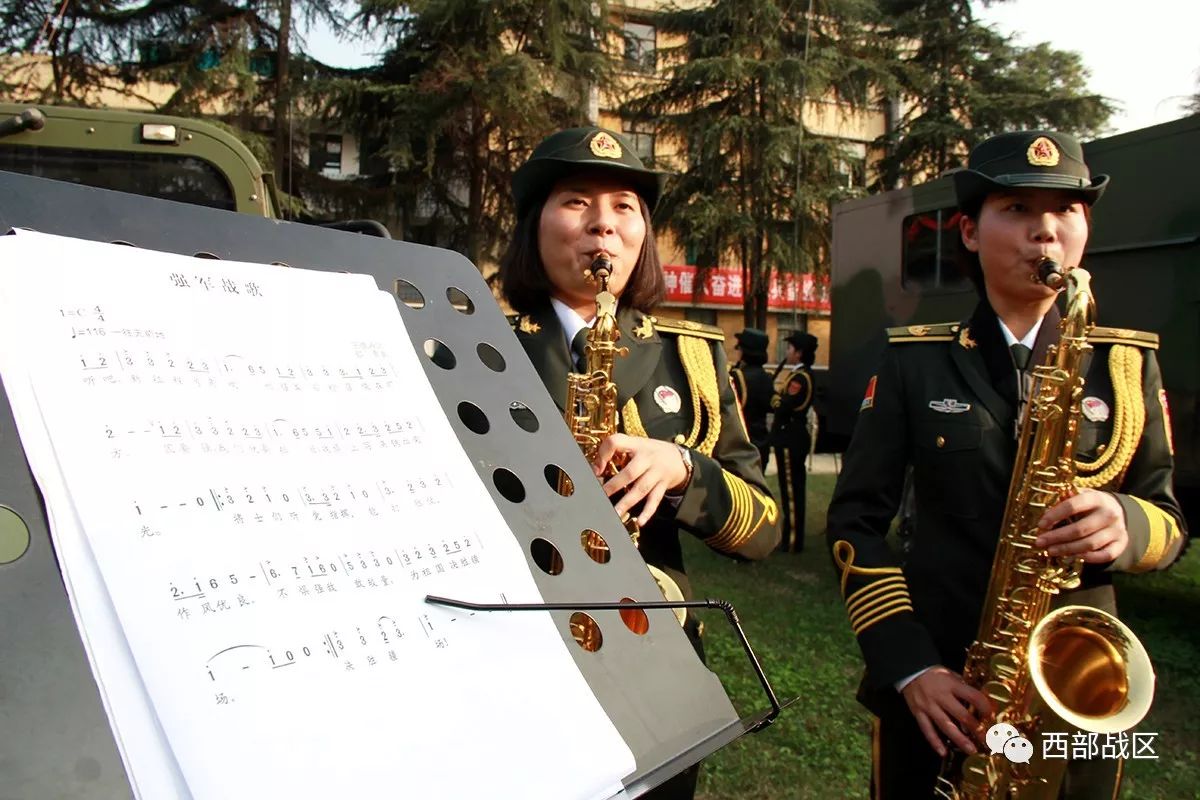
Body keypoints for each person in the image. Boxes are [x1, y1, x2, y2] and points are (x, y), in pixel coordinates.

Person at [825, 130, 1188, 799]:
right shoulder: (913, 359)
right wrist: (911, 668)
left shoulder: (1127, 362)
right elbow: (856, 520)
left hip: (1074, 694)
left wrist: (1126, 523)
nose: (1044, 233)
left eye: (1065, 212)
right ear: (968, 232)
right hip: (943, 691)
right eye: (1017, 210)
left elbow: (1169, 517)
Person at [499, 126, 780, 800]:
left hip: (659, 665)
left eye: (626, 206)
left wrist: (685, 470)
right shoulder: (471, 343)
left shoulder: (695, 356)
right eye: (576, 202)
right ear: (533, 225)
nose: (604, 225)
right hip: (515, 661)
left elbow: (765, 528)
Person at [770, 332, 817, 552]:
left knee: (791, 490)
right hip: (790, 436)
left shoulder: (800, 378)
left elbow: (783, 404)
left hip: (791, 436)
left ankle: (792, 541)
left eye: (790, 349)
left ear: (799, 353)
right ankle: (792, 537)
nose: (787, 352)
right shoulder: (798, 375)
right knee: (790, 488)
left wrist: (773, 396)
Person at [730, 327, 774, 470]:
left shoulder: (738, 376)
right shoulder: (767, 377)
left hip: (742, 443)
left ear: (743, 351)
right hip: (761, 441)